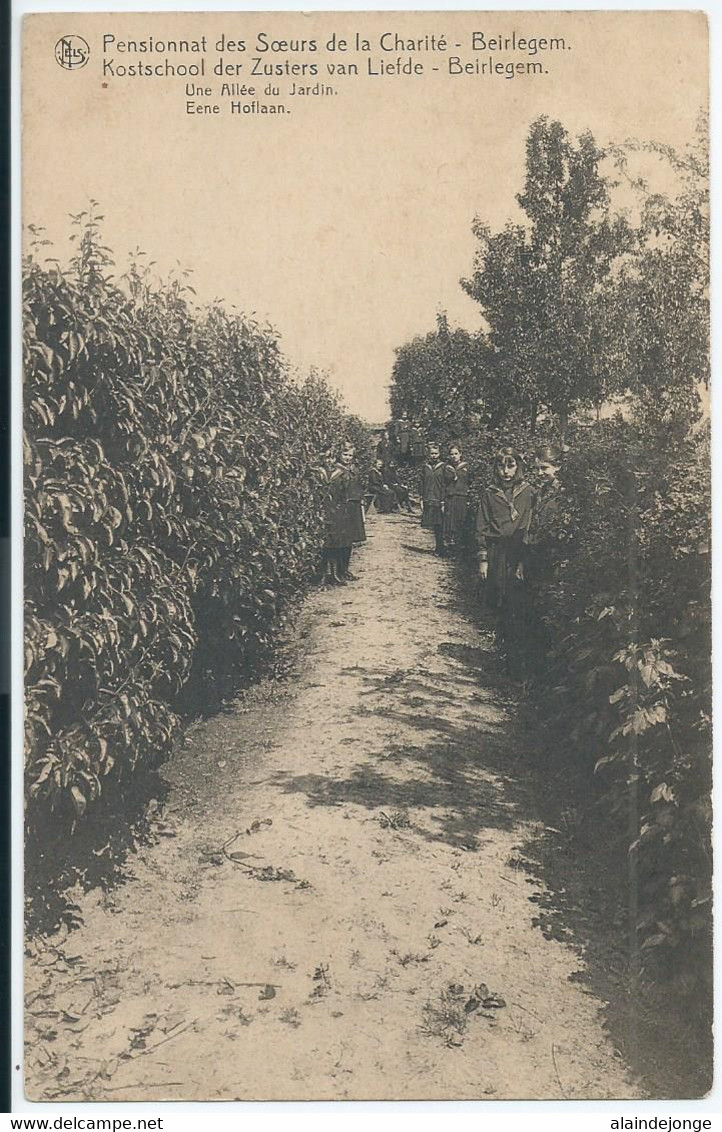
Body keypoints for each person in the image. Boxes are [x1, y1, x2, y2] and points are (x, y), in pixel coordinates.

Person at [476, 446, 534, 670]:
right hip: (497, 551)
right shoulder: (490, 493)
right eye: (501, 466)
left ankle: (517, 659)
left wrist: (523, 559)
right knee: (499, 599)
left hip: (519, 551)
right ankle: (502, 651)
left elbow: (531, 522)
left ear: (518, 466)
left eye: (510, 465)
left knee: (518, 602)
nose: (506, 471)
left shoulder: (529, 492)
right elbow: (481, 525)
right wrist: (483, 559)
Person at [524, 443, 566, 666]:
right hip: (534, 555)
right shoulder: (539, 492)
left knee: (549, 611)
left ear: (557, 467)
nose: (540, 474)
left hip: (552, 559)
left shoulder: (565, 495)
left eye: (545, 468)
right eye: (538, 469)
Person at [335, 442, 366, 581]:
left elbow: (359, 487)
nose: (347, 458)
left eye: (350, 455)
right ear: (339, 455)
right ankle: (338, 572)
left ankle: (345, 569)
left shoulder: (354, 469)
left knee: (349, 540)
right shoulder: (337, 470)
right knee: (341, 539)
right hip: (343, 507)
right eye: (345, 454)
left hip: (354, 506)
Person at [421, 442, 455, 555]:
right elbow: (422, 483)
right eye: (432, 454)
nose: (433, 455)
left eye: (435, 453)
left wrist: (445, 497)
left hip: (440, 499)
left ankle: (444, 548)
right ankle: (439, 547)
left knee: (442, 524)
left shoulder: (444, 467)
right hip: (429, 498)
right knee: (435, 525)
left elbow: (451, 480)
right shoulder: (426, 467)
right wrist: (422, 497)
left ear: (439, 454)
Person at [443, 443, 469, 552]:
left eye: (456, 454)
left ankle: (459, 548)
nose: (454, 456)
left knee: (460, 521)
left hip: (462, 497)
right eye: (452, 454)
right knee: (450, 522)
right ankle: (450, 547)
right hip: (450, 497)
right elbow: (444, 483)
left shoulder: (466, 467)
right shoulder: (447, 468)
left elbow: (470, 481)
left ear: (460, 454)